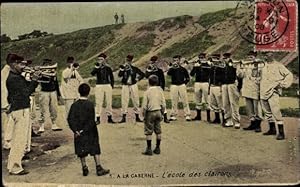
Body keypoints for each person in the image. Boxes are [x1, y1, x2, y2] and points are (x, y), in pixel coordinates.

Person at [6, 54, 39, 175]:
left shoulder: (15, 76)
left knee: (18, 140)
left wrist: (33, 80)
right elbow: (26, 92)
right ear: (14, 64)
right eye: (20, 64)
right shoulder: (14, 78)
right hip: (21, 110)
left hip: (18, 109)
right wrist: (35, 80)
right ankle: (15, 167)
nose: (22, 66)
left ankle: (14, 162)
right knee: (19, 140)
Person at [68, 83, 110, 176]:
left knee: (81, 149)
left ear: (79, 92)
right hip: (90, 131)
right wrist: (85, 129)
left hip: (78, 132)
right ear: (88, 93)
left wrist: (76, 131)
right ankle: (98, 167)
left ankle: (84, 167)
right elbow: (91, 121)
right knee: (95, 148)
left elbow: (70, 119)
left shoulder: (74, 105)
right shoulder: (90, 104)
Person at [260, 52, 293, 140]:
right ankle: (272, 129)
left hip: (273, 91)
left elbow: (289, 75)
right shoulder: (263, 66)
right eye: (264, 54)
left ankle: (281, 133)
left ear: (272, 55)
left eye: (267, 54)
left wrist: (282, 84)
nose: (266, 56)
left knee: (276, 111)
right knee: (267, 112)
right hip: (263, 91)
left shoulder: (278, 65)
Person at [238, 51, 263, 132]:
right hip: (247, 89)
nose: (249, 58)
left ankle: (258, 125)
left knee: (257, 108)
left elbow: (261, 76)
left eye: (251, 57)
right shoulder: (246, 65)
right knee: (249, 109)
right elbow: (240, 75)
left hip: (256, 90)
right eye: (248, 57)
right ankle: (252, 124)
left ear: (255, 57)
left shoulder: (260, 65)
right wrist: (240, 66)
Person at [141, 75, 166, 155]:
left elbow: (144, 106)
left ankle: (149, 149)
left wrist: (143, 115)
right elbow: (163, 104)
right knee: (158, 131)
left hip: (150, 112)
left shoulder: (147, 92)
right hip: (158, 110)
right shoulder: (160, 90)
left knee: (148, 131)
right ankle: (158, 148)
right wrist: (162, 113)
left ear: (149, 82)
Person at [118, 54, 145, 123]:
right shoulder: (123, 68)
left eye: (129, 61)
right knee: (124, 100)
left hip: (133, 85)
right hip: (125, 85)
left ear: (131, 61)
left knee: (136, 100)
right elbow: (119, 75)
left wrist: (137, 79)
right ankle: (123, 117)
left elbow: (142, 74)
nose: (128, 62)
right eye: (127, 60)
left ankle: (137, 117)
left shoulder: (134, 69)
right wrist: (122, 69)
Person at [38, 59, 63, 133]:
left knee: (54, 108)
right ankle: (41, 125)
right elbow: (39, 81)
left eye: (49, 65)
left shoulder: (53, 73)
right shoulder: (41, 73)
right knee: (43, 108)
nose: (48, 66)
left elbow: (56, 84)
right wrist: (42, 74)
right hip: (44, 92)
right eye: (46, 65)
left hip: (53, 91)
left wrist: (58, 94)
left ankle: (54, 123)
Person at [91, 53, 115, 125]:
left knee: (108, 101)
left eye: (101, 59)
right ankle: (97, 118)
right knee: (98, 102)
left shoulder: (108, 68)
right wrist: (96, 67)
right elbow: (92, 73)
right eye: (99, 59)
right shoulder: (97, 67)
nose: (100, 61)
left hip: (107, 85)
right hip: (99, 85)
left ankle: (109, 117)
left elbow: (111, 77)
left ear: (105, 60)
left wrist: (111, 85)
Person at [145, 55, 169, 123]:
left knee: (162, 102)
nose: (153, 63)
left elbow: (162, 80)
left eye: (154, 62)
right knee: (149, 102)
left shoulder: (159, 70)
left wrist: (162, 88)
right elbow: (146, 76)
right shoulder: (149, 69)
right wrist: (149, 70)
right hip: (150, 87)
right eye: (152, 62)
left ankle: (165, 116)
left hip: (158, 87)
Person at [167, 55, 191, 121]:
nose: (175, 62)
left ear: (179, 61)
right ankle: (173, 115)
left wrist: (184, 83)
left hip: (181, 85)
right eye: (174, 60)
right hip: (174, 85)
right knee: (174, 100)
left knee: (185, 100)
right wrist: (171, 67)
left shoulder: (183, 69)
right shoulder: (172, 69)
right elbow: (168, 73)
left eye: (177, 60)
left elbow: (188, 78)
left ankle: (187, 115)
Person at [221, 53, 241, 129]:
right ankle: (228, 120)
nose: (225, 59)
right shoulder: (223, 66)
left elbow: (238, 75)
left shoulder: (233, 65)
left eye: (227, 58)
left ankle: (237, 121)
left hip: (232, 84)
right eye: (224, 58)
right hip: (225, 84)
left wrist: (238, 87)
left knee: (234, 103)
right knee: (225, 103)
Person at [190, 53, 211, 122]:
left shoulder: (208, 64)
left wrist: (205, 65)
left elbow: (210, 72)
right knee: (197, 100)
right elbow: (192, 74)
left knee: (207, 99)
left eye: (202, 57)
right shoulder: (197, 65)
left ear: (205, 58)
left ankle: (208, 117)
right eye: (200, 57)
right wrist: (195, 67)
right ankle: (198, 116)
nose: (201, 59)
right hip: (197, 82)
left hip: (205, 82)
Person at [208, 54, 225, 124]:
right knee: (213, 104)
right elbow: (210, 78)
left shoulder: (221, 67)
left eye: (215, 58)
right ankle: (217, 119)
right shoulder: (212, 67)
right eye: (213, 59)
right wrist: (209, 88)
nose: (214, 60)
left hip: (218, 86)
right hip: (212, 86)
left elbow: (223, 78)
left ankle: (224, 120)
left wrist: (221, 86)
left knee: (221, 104)